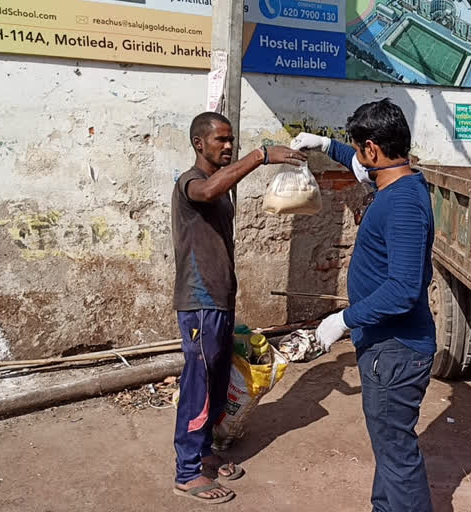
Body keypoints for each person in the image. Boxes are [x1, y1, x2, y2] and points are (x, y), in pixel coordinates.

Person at [291, 99, 436, 512]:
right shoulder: (396, 182)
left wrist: (343, 319)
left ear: (373, 149)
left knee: (397, 455)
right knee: (389, 449)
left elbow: (404, 289)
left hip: (395, 350)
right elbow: (358, 167)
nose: (357, 158)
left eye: (359, 149)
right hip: (387, 347)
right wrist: (325, 144)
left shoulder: (403, 204)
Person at [171, 111, 306, 503]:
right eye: (221, 141)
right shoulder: (191, 184)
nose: (228, 146)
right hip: (198, 303)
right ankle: (187, 471)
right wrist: (259, 156)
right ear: (200, 144)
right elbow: (208, 191)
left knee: (215, 381)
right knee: (197, 385)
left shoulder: (218, 187)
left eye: (232, 140)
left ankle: (205, 452)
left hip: (219, 300)